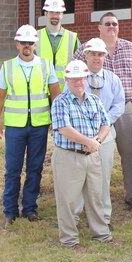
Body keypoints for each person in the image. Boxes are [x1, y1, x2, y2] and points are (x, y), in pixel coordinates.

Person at [79, 12, 132, 214]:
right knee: (93, 154)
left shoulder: (130, 48)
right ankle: (92, 200)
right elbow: (73, 72)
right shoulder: (86, 49)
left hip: (125, 107)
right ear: (99, 27)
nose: (112, 26)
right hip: (93, 109)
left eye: (115, 24)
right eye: (107, 23)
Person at [0, 24, 61, 225]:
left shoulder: (46, 65)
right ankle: (10, 211)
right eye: (23, 43)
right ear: (17, 44)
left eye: (30, 43)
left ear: (35, 44)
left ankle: (30, 209)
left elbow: (55, 94)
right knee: (12, 169)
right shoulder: (7, 67)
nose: (27, 46)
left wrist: (56, 122)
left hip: (39, 125)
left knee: (35, 168)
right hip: (15, 126)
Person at [50, 59, 113, 249]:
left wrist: (98, 142)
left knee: (96, 197)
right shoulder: (61, 101)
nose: (79, 82)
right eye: (74, 79)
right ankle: (69, 240)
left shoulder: (94, 99)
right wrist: (89, 142)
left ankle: (102, 235)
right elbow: (64, 128)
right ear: (67, 80)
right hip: (68, 156)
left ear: (87, 79)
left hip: (92, 155)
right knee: (67, 200)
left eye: (82, 78)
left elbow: (105, 123)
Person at [75, 37, 125, 228]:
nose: (96, 58)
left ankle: (103, 218)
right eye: (93, 54)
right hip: (81, 137)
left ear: (105, 57)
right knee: (79, 178)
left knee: (103, 178)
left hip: (105, 136)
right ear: (86, 56)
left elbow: (119, 105)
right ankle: (77, 217)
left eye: (100, 54)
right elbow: (68, 102)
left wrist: (104, 125)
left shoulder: (113, 79)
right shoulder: (76, 79)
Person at [38, 0, 80, 81]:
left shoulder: (72, 38)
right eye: (51, 12)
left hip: (65, 90)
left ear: (62, 15)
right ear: (45, 14)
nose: (55, 16)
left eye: (58, 13)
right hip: (41, 91)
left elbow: (80, 65)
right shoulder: (35, 37)